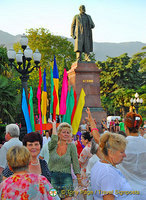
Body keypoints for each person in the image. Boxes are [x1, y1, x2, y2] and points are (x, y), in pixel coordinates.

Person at [91, 132, 135, 200]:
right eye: (121, 152)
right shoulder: (108, 173)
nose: (125, 155)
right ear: (110, 152)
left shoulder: (99, 164)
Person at [48, 120, 81, 200]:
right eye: (64, 132)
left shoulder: (72, 147)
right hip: (52, 178)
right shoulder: (52, 145)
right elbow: (54, 139)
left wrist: (79, 179)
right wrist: (54, 125)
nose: (66, 134)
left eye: (68, 132)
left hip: (66, 178)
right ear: (59, 134)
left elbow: (75, 163)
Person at [117, 112, 146, 200]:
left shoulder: (120, 146)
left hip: (126, 193)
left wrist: (92, 123)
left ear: (125, 127)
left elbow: (100, 143)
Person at [78, 131, 93, 200]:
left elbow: (81, 161)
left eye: (82, 139)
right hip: (93, 171)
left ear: (86, 140)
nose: (81, 140)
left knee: (85, 190)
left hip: (85, 172)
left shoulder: (85, 149)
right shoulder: (93, 147)